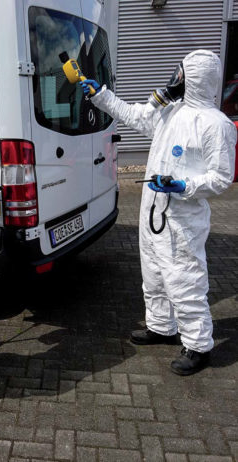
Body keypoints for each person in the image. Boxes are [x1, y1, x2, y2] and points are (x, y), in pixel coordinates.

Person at [80, 50, 236, 375]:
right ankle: (161, 326)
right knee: (152, 274)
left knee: (184, 279)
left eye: (179, 73)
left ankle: (198, 345)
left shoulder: (215, 125)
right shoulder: (172, 112)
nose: (173, 79)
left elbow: (221, 177)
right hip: (152, 212)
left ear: (193, 78)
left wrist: (183, 185)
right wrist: (101, 96)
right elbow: (135, 115)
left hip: (182, 218)